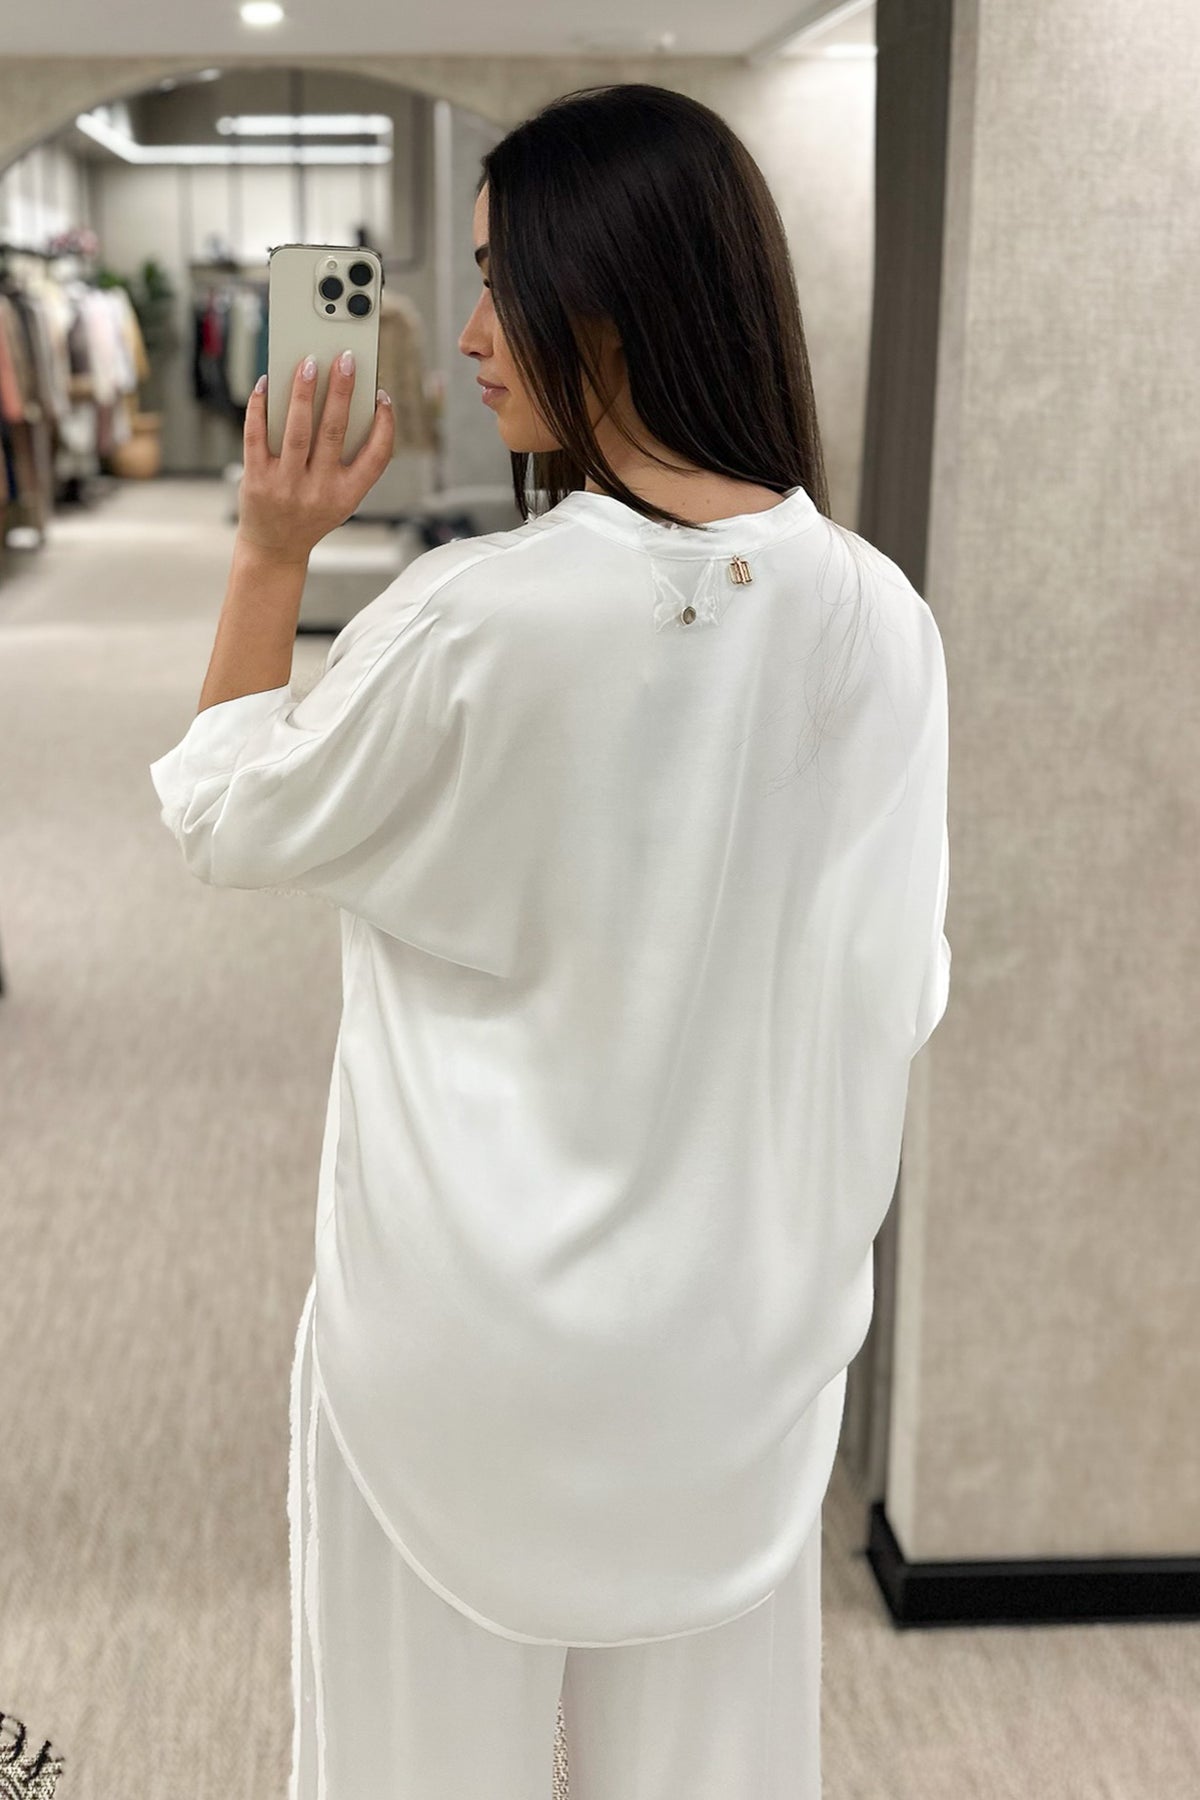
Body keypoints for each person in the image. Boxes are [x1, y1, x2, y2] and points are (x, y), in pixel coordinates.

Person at [149, 81, 951, 1800]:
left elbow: (225, 811)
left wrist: (272, 549)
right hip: (733, 1355)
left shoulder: (477, 615)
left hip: (463, 1339)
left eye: (502, 282)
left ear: (613, 296)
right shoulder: (882, 621)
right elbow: (898, 990)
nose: (468, 336)